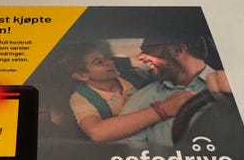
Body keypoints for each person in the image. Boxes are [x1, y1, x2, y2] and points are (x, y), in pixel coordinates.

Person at [58, 43, 193, 142]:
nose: (110, 62)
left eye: (106, 57)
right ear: (81, 75)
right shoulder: (82, 98)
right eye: (99, 62)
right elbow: (96, 132)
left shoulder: (137, 77)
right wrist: (162, 110)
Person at [120, 36, 231, 146]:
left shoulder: (232, 88)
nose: (139, 56)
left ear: (179, 50)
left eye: (149, 49)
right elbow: (126, 150)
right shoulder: (142, 98)